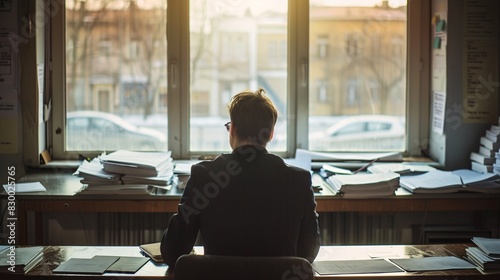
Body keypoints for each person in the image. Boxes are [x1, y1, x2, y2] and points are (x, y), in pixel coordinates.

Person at [161, 88, 320, 268]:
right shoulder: (299, 180)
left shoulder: (204, 176)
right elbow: (308, 253)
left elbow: (172, 252)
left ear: (233, 129)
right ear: (270, 134)